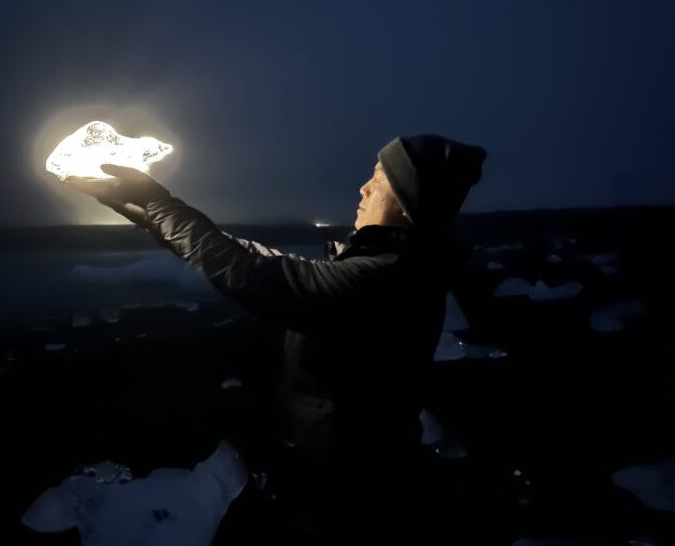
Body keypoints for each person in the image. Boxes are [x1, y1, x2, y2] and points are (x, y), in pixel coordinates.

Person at [63, 134, 486, 523]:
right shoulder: (398, 268)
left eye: (378, 180)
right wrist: (147, 210)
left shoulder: (388, 278)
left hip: (344, 487)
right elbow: (256, 259)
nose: (364, 189)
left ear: (411, 202)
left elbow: (254, 276)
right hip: (336, 469)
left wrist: (155, 202)